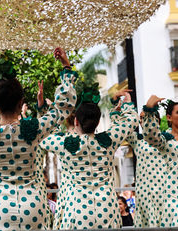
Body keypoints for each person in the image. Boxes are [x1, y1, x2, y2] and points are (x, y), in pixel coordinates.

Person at [0, 47, 77, 230]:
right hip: (33, 208)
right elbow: (63, 106)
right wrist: (66, 67)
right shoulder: (35, 129)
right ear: (21, 103)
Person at [40, 89, 139, 229]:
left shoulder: (65, 144)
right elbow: (131, 122)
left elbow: (42, 136)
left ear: (76, 121)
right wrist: (125, 103)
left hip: (76, 212)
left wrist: (46, 110)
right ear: (98, 122)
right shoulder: (108, 141)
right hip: (107, 211)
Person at [142, 96, 178, 226]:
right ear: (169, 117)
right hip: (173, 196)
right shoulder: (166, 140)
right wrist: (149, 110)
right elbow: (151, 136)